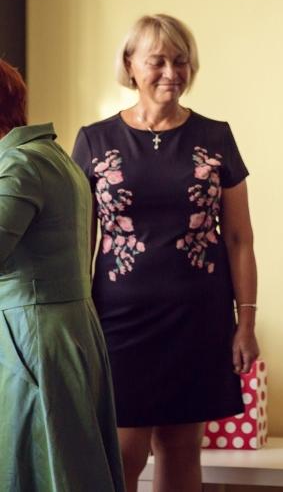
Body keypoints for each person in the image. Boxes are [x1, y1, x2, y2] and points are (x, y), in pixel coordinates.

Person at [72, 15, 260, 492]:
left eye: (180, 61)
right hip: (118, 319)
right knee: (123, 452)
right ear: (130, 65)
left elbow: (239, 239)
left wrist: (245, 323)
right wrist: (75, 320)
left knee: (181, 448)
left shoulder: (216, 137)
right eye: (157, 61)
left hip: (197, 317)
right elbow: (79, 240)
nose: (171, 73)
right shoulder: (94, 140)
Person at [0, 59, 125, 490]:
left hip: (34, 339)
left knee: (38, 468)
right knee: (68, 465)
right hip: (66, 332)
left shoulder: (19, 166)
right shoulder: (53, 158)